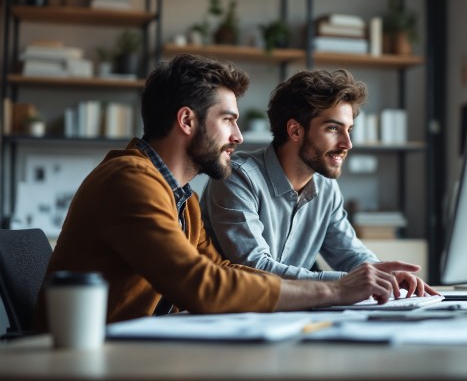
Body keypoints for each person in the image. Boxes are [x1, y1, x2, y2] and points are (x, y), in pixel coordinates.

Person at [32, 54, 424, 330]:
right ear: (187, 120)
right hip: (84, 358)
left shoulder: (179, 196)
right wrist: (337, 288)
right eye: (228, 120)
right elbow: (201, 284)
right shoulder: (131, 180)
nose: (238, 137)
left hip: (130, 347)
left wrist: (355, 283)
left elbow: (221, 270)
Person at [200, 68, 436, 297]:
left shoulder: (325, 187)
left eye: (349, 130)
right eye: (333, 128)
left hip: (287, 317)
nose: (347, 144)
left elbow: (349, 254)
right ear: (295, 130)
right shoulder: (238, 178)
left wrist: (387, 275)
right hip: (228, 318)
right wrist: (345, 283)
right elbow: (254, 268)